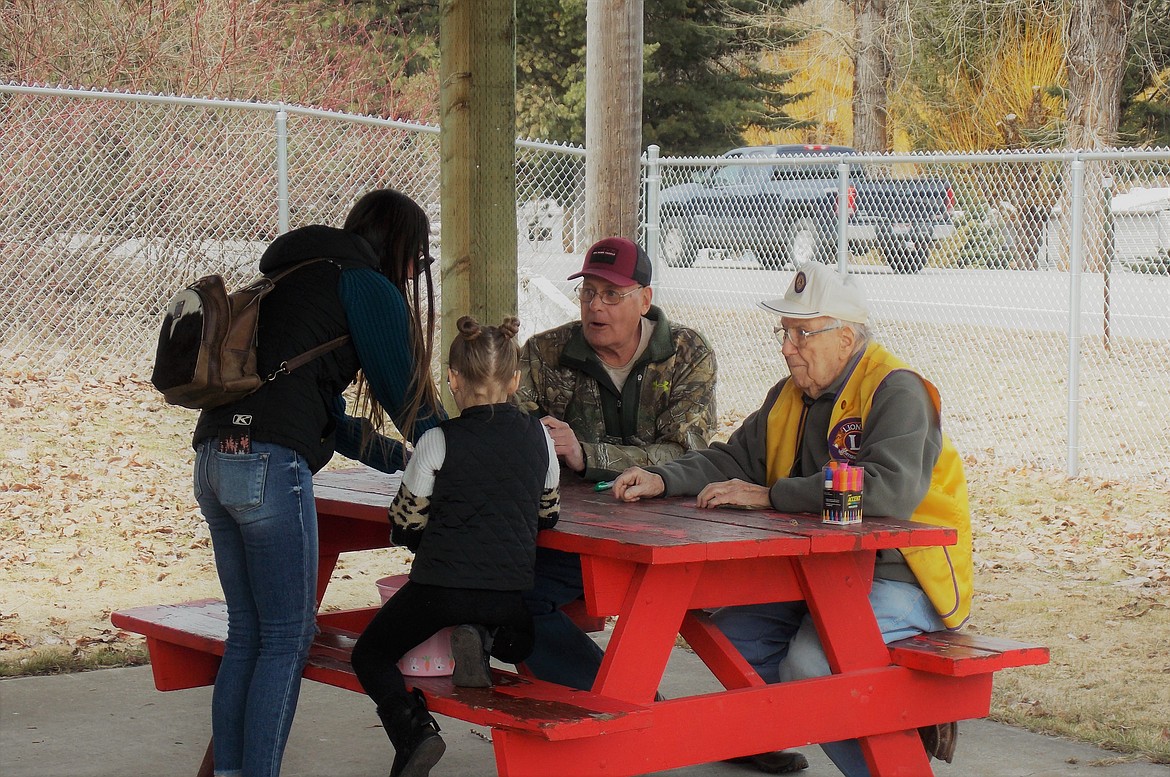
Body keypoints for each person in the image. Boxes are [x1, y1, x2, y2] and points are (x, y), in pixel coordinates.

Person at [611, 260, 974, 776]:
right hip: (815, 572)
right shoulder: (790, 394)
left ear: (845, 339)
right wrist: (662, 477)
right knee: (731, 639)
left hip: (904, 576)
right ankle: (878, 718)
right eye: (785, 332)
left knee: (810, 666)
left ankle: (892, 759)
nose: (787, 346)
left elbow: (888, 490)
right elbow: (734, 458)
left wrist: (773, 496)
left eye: (803, 333)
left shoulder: (897, 390)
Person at [515, 237, 805, 774]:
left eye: (612, 294)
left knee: (705, 617)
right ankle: (636, 713)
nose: (595, 307)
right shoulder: (542, 353)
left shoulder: (688, 353)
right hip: (575, 538)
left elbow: (691, 449)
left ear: (645, 299)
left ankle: (739, 731)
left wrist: (586, 454)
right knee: (509, 595)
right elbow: (511, 436)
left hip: (675, 536)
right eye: (588, 294)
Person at [191, 188, 445, 777]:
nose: (414, 274)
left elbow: (322, 413)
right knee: (285, 637)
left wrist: (394, 456)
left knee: (250, 634)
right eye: (418, 261)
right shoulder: (363, 284)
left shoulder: (293, 277)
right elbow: (408, 396)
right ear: (401, 249)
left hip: (214, 458)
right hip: (269, 465)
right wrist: (458, 448)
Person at [350, 315, 561, 777]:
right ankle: (485, 636)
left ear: (452, 379)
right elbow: (548, 516)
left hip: (440, 587)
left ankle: (414, 731)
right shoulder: (542, 438)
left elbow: (405, 523)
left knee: (370, 654)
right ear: (515, 380)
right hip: (509, 593)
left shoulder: (438, 440)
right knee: (521, 639)